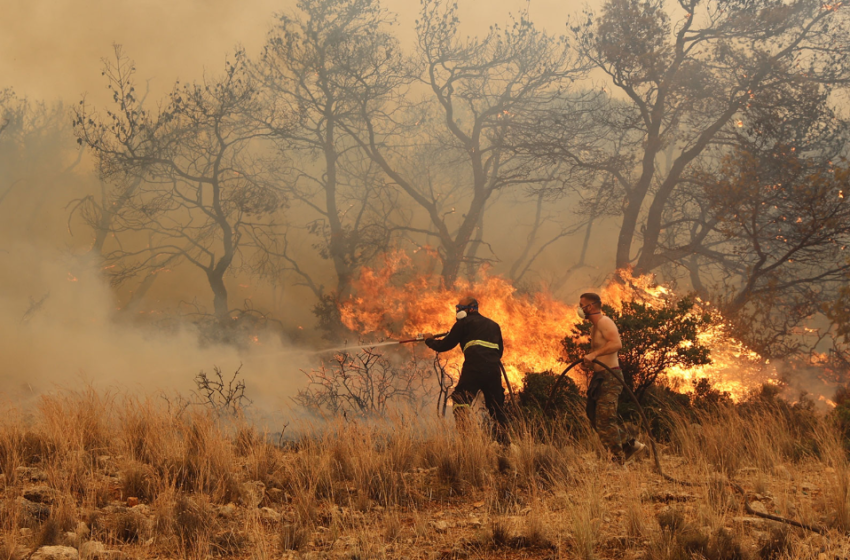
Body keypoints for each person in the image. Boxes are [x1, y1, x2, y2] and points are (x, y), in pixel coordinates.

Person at [423, 297, 509, 443]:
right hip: (494, 370)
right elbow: (499, 351)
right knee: (496, 407)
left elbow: (445, 345)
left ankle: (467, 440)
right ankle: (504, 443)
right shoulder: (494, 325)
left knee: (460, 400)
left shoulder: (463, 323)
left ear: (470, 309)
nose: (458, 312)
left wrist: (429, 340)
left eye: (460, 309)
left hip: (474, 368)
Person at [579, 292, 646, 464]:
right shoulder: (594, 328)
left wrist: (594, 354)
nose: (580, 309)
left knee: (606, 418)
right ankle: (629, 444)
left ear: (591, 307)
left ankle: (618, 459)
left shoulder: (604, 322)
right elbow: (600, 354)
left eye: (582, 305)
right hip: (600, 376)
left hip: (611, 376)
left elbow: (616, 344)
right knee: (594, 415)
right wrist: (590, 362)